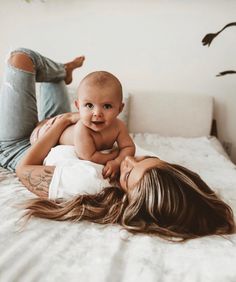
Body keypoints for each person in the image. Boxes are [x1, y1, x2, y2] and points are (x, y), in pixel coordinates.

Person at [0, 48, 235, 241]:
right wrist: (73, 121)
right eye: (142, 160)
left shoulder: (87, 182)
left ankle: (60, 71)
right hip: (66, 128)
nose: (129, 160)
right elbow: (128, 152)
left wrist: (61, 123)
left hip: (24, 147)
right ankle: (64, 72)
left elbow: (24, 168)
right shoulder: (153, 173)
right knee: (56, 83)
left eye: (127, 172)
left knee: (20, 58)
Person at [30, 70, 135, 181]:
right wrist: (113, 156)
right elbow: (89, 156)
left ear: (120, 108)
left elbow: (128, 147)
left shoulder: (119, 126)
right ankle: (60, 71)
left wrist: (117, 162)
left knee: (53, 103)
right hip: (44, 132)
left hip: (60, 121)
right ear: (78, 106)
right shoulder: (82, 129)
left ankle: (60, 73)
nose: (97, 113)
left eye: (107, 106)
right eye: (89, 105)